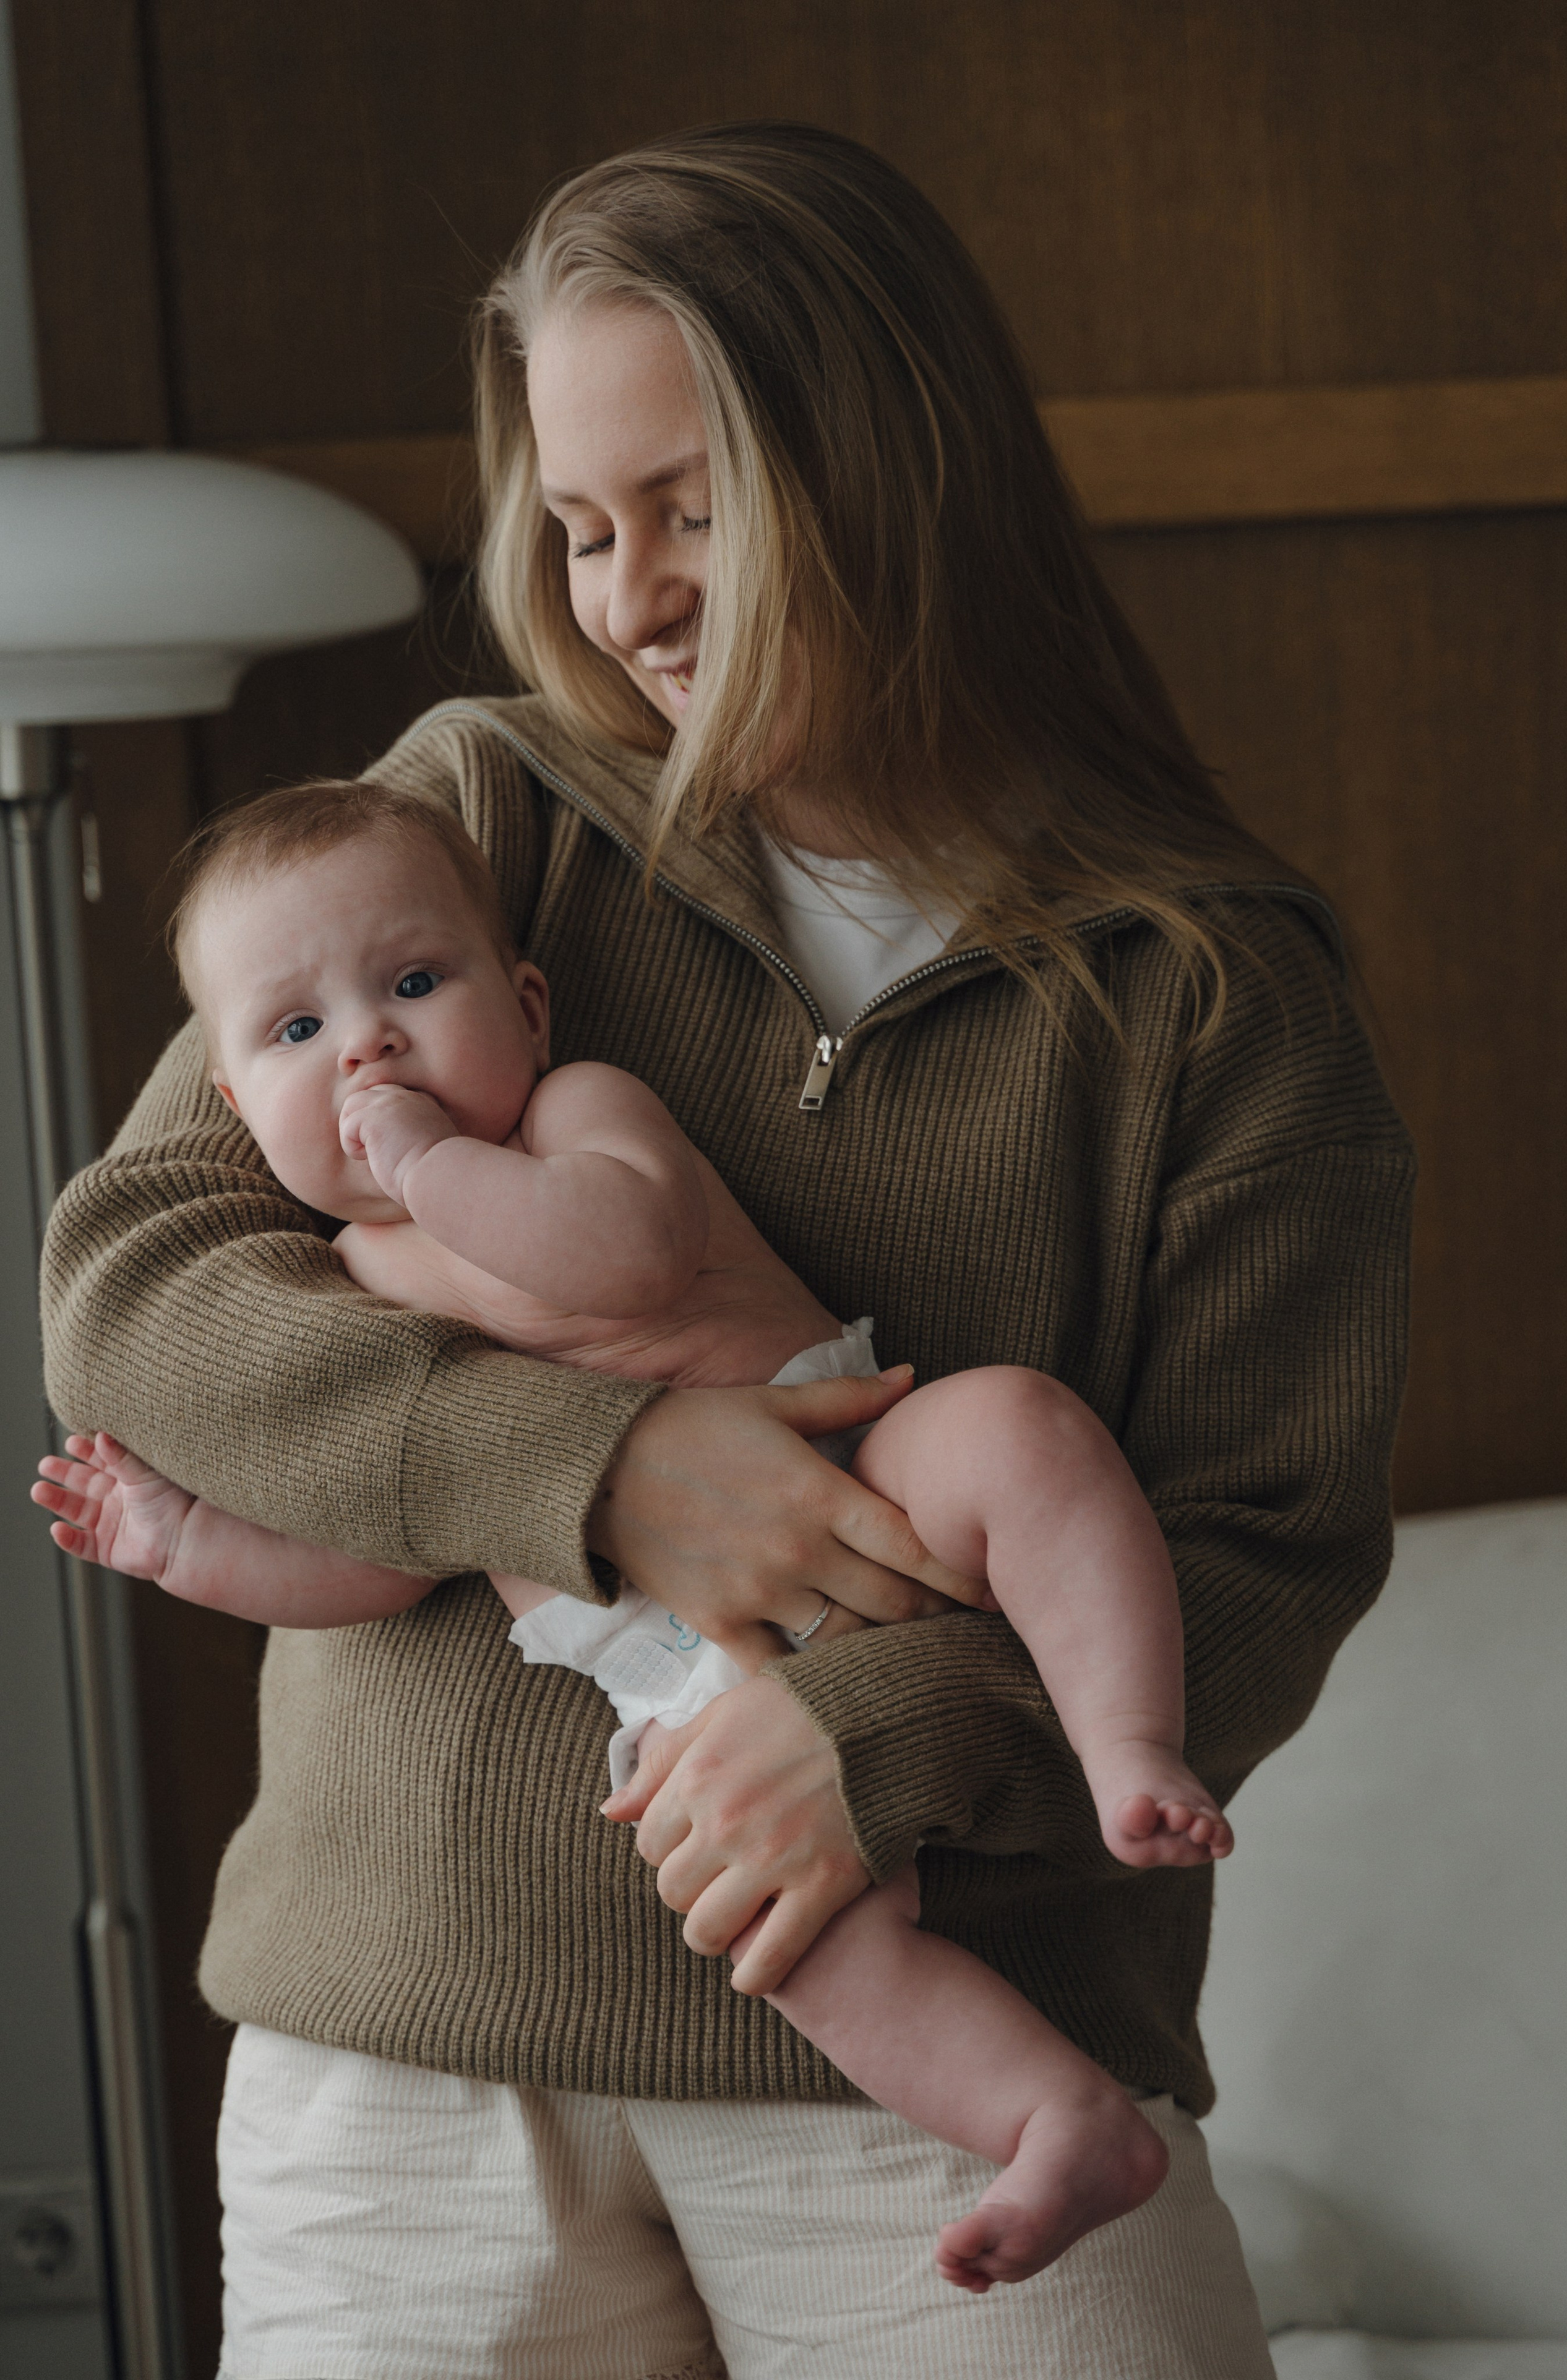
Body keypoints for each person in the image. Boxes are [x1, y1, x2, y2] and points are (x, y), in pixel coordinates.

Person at [39, 123, 1414, 2378]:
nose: (627, 596)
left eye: (689, 508)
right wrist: (603, 1473)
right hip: (414, 2065)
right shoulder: (469, 816)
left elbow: (1262, 1548)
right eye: (581, 527)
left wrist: (874, 1727)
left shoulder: (1218, 994)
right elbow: (135, 1289)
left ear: (897, 473)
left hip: (949, 2052)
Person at [37, 773, 1239, 2288]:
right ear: (229, 1104)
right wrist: (183, 1545)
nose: (367, 1042)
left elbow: (622, 1260)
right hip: (673, 1683)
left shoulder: (571, 1115)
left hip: (862, 1456)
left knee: (1020, 1429)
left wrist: (428, 1166)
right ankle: (1054, 2116)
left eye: (414, 983)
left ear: (525, 1005)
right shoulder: (340, 1279)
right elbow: (378, 1554)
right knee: (789, 1932)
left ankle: (1125, 1741)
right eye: (295, 1032)